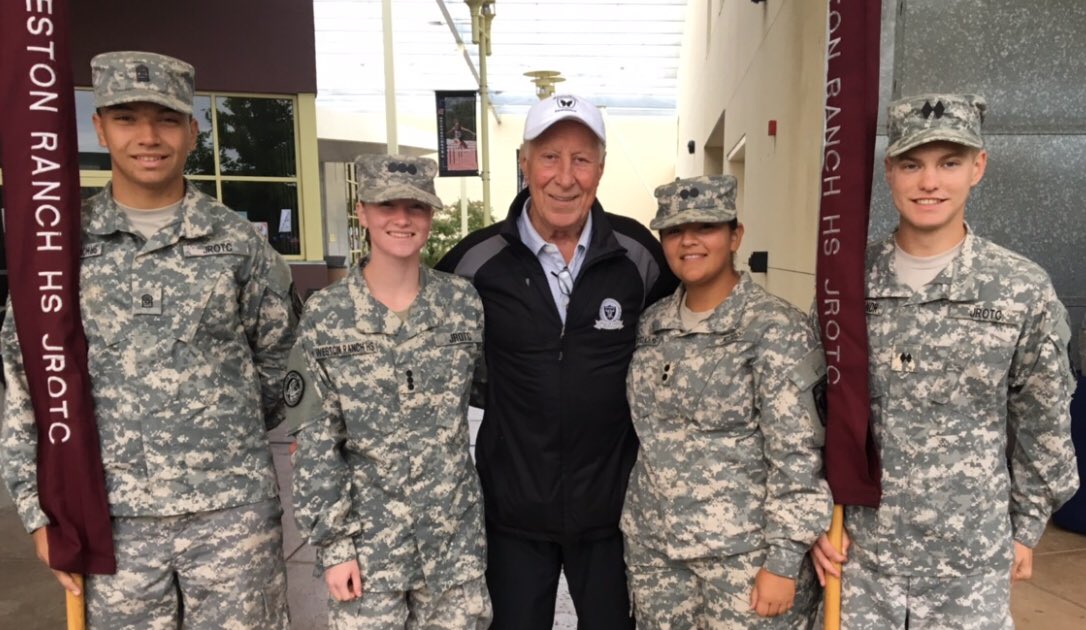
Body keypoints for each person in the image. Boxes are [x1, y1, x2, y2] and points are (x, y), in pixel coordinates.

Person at [1, 51, 296, 627]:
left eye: (165, 119)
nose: (147, 137)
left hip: (231, 515)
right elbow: (23, 383)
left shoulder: (237, 243)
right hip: (110, 517)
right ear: (100, 127)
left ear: (192, 130)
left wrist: (217, 428)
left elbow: (281, 363)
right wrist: (40, 513)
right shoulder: (59, 252)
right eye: (127, 118)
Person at [812, 93, 1079, 628]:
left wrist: (1026, 528)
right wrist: (811, 517)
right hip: (862, 561)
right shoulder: (844, 284)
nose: (929, 182)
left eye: (949, 163)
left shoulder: (1020, 289)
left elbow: (1043, 421)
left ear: (978, 167)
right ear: (889, 171)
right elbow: (809, 412)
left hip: (968, 565)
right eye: (912, 164)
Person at [436, 94, 678, 629]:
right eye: (549, 157)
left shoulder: (639, 253)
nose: (564, 177)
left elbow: (684, 344)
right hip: (514, 515)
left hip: (613, 515)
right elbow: (420, 344)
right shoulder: (474, 262)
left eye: (581, 158)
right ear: (524, 162)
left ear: (601, 167)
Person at [288, 154, 491, 629]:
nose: (401, 219)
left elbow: (487, 391)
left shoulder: (462, 304)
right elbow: (315, 441)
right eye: (386, 206)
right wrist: (335, 547)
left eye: (416, 208)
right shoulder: (326, 314)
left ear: (431, 215)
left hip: (452, 547)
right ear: (362, 211)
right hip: (367, 549)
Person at [621, 175, 832, 628]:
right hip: (657, 553)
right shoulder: (652, 325)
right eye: (675, 231)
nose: (689, 241)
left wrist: (783, 558)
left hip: (744, 559)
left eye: (707, 227)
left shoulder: (774, 329)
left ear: (735, 235)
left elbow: (797, 455)